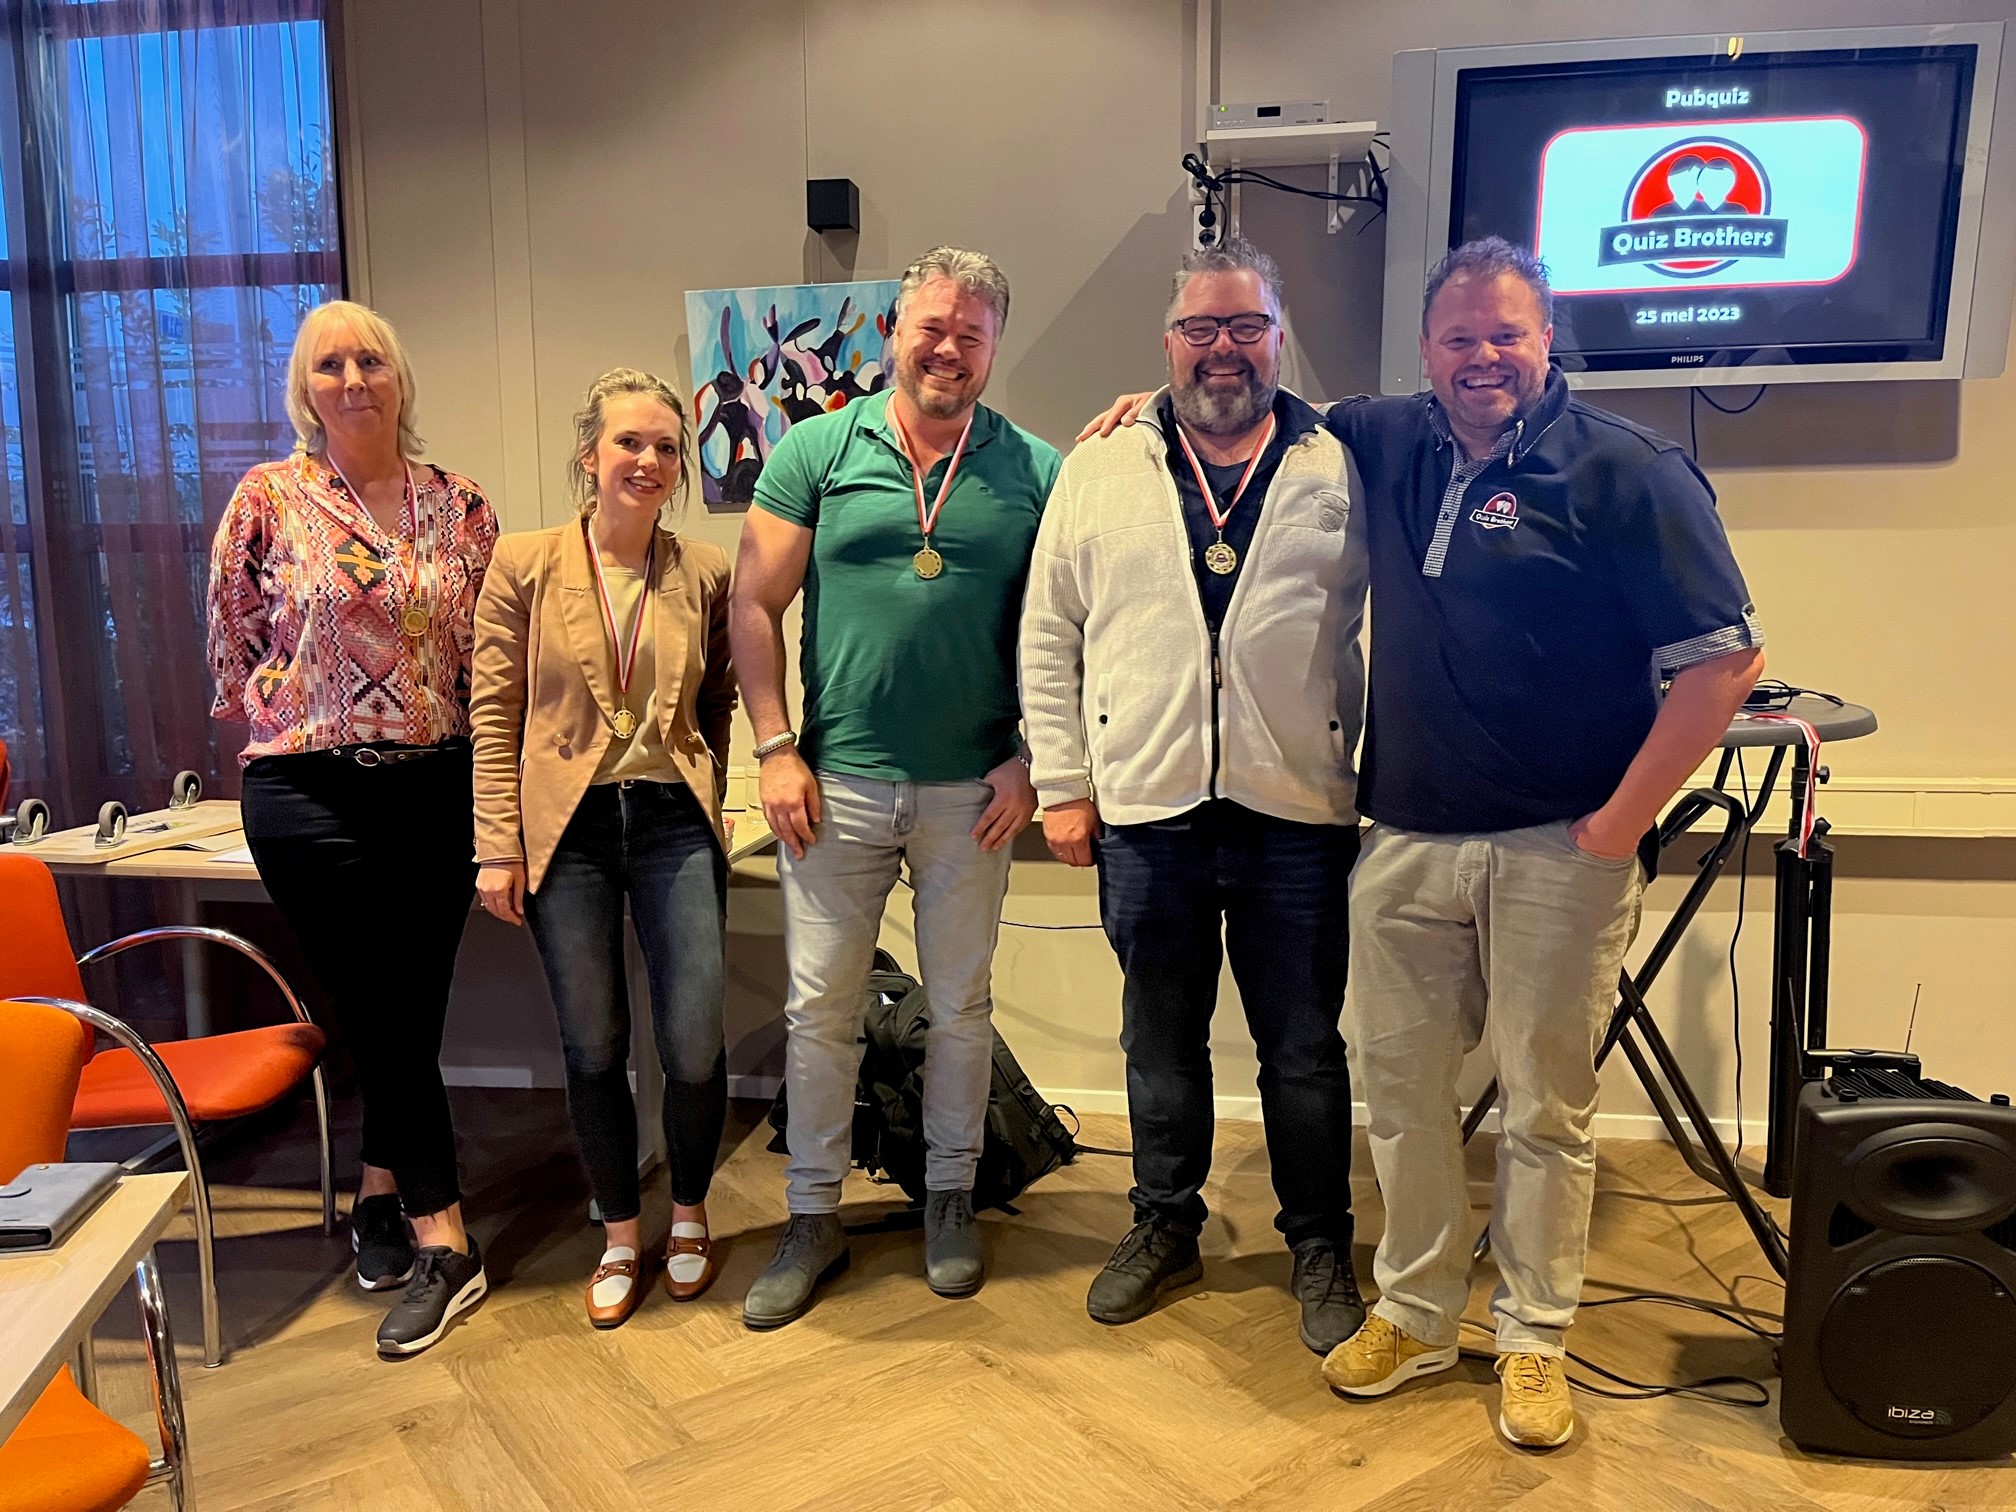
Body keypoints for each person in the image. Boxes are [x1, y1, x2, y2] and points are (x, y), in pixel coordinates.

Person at [1081, 236, 1764, 1449]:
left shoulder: (1631, 468)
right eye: (1459, 339)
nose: (1482, 358)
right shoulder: (1383, 437)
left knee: (1545, 1109)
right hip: (1400, 842)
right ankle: (1417, 1310)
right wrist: (1154, 402)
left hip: (1563, 849)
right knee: (1401, 1098)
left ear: (1547, 339)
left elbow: (1725, 663)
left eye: (1506, 335)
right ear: (1426, 352)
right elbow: (1243, 390)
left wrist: (1617, 827)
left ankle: (1534, 1336)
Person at [1020, 238, 1369, 1354]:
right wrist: (1064, 784)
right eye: (1201, 328)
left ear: (1279, 337)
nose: (1224, 348)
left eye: (1246, 326)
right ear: (1167, 342)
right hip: (1146, 812)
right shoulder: (1100, 466)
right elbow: (1048, 633)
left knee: (1303, 1048)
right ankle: (1165, 1224)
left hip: (1296, 814)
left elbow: (1402, 625)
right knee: (1159, 1042)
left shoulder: (1340, 462)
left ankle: (1318, 1241)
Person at [729, 246, 1060, 1327]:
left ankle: (951, 1199)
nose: (949, 349)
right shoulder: (817, 450)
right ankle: (812, 1214)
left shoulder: (1035, 469)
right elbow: (751, 604)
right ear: (891, 333)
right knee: (820, 1010)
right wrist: (775, 748)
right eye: (932, 328)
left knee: (960, 1009)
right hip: (836, 787)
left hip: (976, 793)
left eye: (972, 334)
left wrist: (1036, 759)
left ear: (994, 347)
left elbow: (1072, 626)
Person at [206, 299, 496, 1356]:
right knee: (375, 1001)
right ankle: (446, 1238)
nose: (353, 378)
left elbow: (488, 658)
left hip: (435, 789)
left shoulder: (461, 506)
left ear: (399, 376)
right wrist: (306, 712)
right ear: (305, 388)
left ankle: (376, 1190)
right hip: (308, 795)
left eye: (370, 358)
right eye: (329, 364)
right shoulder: (266, 499)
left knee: (406, 1011)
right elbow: (231, 646)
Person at [470, 369, 736, 1329]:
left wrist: (711, 786)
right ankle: (621, 1233)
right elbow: (493, 713)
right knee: (593, 1042)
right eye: (630, 442)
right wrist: (497, 846)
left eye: (666, 446)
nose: (649, 461)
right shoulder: (525, 563)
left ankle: (691, 1215)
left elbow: (718, 697)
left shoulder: (704, 569)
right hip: (568, 830)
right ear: (590, 455)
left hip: (673, 823)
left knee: (694, 1039)